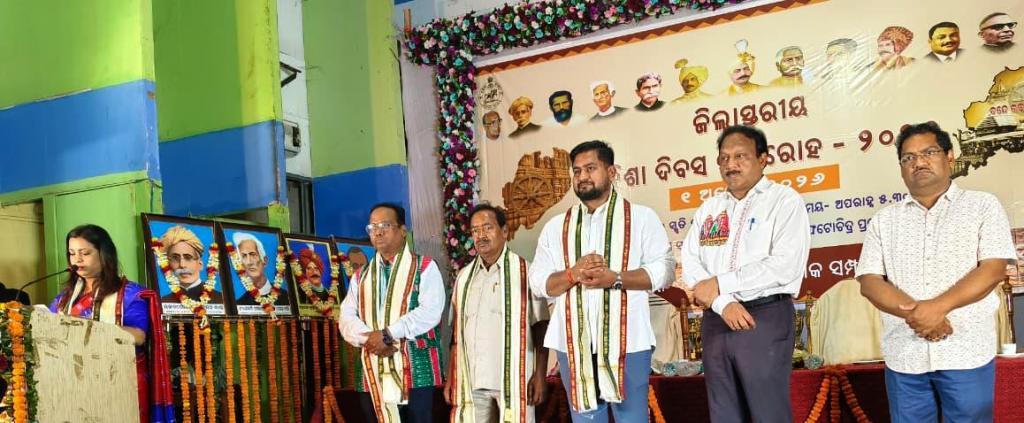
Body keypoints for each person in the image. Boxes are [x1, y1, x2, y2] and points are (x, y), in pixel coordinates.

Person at [856, 122, 1016, 422]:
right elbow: (870, 281)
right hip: (906, 355)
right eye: (908, 157)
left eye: (928, 152)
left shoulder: (982, 206)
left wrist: (937, 308)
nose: (918, 162)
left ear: (950, 156)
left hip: (965, 351)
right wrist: (920, 315)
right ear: (901, 168)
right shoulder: (884, 220)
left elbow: (993, 269)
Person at [530, 140, 674, 422]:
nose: (582, 176)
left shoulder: (641, 218)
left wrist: (615, 278)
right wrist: (573, 274)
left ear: (611, 172)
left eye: (590, 168)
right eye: (577, 171)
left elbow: (665, 270)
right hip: (573, 343)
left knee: (632, 418)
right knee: (586, 419)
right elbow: (538, 282)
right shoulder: (556, 227)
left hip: (628, 342)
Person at [680, 125, 810, 422]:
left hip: (763, 318)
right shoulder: (710, 208)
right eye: (724, 158)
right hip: (716, 320)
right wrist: (723, 302)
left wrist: (720, 283)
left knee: (768, 414)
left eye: (740, 156)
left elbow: (785, 265)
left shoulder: (784, 201)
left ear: (763, 159)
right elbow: (690, 261)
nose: (731, 164)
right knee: (724, 414)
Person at [49, 224, 174, 422]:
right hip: (74, 385)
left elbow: (139, 336)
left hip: (121, 383)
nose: (77, 260)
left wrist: (88, 329)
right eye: (72, 253)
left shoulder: (131, 294)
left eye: (85, 253)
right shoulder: (64, 299)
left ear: (104, 254)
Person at [339, 203, 445, 423]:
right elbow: (346, 317)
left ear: (403, 230)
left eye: (385, 225)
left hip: (416, 371)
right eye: (372, 227)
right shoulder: (361, 276)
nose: (377, 232)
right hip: (372, 369)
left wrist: (387, 335)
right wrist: (371, 339)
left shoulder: (425, 267)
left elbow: (430, 312)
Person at [445, 204, 550, 422]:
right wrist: (452, 377)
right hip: (472, 379)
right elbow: (457, 335)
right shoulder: (464, 278)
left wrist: (540, 374)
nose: (481, 235)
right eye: (475, 230)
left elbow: (540, 327)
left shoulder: (526, 272)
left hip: (514, 378)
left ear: (504, 231)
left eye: (487, 227)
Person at [158, 225, 223, 303]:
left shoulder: (221, 300)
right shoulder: (164, 302)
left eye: (188, 257)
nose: (182, 265)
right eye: (175, 258)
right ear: (168, 266)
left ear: (200, 264)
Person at [233, 232, 288, 306]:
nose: (249, 262)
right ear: (241, 265)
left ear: (265, 261)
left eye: (253, 254)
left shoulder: (287, 298)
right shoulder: (240, 303)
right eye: (244, 256)